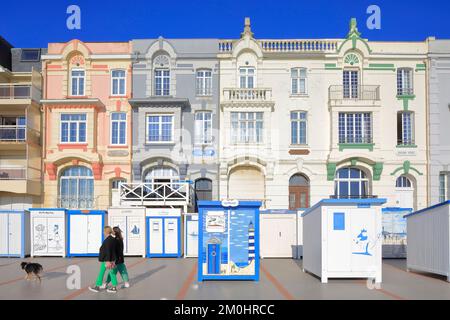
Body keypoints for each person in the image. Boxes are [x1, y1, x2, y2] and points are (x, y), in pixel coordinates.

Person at [89, 226, 119, 293]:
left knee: (101, 273)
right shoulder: (113, 239)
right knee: (112, 273)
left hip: (106, 260)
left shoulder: (107, 240)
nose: (103, 233)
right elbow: (115, 251)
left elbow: (108, 251)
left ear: (106, 232)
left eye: (103, 231)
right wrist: (114, 260)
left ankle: (97, 286)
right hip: (112, 260)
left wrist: (108, 261)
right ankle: (114, 287)